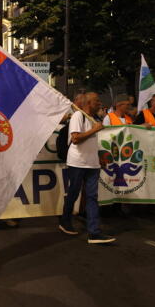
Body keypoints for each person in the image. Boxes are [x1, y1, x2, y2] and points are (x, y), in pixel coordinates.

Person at [59, 92, 116, 244]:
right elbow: (75, 138)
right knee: (73, 193)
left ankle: (94, 233)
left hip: (93, 164)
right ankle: (65, 221)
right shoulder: (79, 116)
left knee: (92, 197)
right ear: (88, 103)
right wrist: (95, 130)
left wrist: (99, 156)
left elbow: (91, 142)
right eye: (97, 101)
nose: (99, 103)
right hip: (77, 163)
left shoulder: (95, 119)